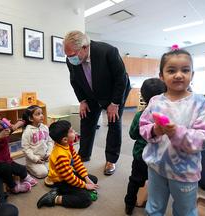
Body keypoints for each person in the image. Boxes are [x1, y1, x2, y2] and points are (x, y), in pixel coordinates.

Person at [139, 45, 205, 215]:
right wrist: (153, 130)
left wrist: (177, 133)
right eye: (172, 70)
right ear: (161, 75)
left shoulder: (198, 102)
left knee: (185, 211)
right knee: (154, 208)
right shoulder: (154, 101)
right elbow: (143, 126)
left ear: (192, 75)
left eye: (185, 70)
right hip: (156, 167)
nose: (179, 75)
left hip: (185, 170)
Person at [63, 30, 131, 175]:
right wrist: (82, 101)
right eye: (67, 56)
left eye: (72, 55)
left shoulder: (108, 51)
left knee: (113, 121)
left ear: (85, 47)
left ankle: (111, 160)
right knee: (86, 118)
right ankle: (84, 154)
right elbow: (74, 81)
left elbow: (121, 80)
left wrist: (114, 104)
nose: (69, 59)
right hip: (91, 93)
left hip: (114, 93)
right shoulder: (71, 59)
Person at [125, 78, 166, 215]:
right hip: (159, 157)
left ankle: (129, 204)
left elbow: (132, 134)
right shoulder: (166, 115)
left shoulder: (140, 115)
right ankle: (154, 206)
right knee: (157, 183)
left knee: (135, 180)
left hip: (140, 156)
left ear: (143, 97)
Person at [37, 120, 99, 208]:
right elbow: (69, 177)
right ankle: (53, 198)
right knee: (86, 198)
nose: (74, 131)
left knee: (93, 179)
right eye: (71, 131)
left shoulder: (68, 145)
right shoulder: (60, 155)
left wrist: (86, 178)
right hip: (62, 181)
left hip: (68, 175)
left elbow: (77, 162)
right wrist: (84, 185)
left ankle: (60, 190)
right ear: (65, 139)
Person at [0, 112, 37, 194]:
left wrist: (15, 126)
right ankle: (13, 186)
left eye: (0, 119)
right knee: (5, 166)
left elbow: (22, 121)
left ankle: (23, 177)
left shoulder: (5, 130)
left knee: (22, 168)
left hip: (8, 161)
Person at [21, 105, 53, 178]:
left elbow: (49, 141)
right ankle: (28, 167)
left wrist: (49, 153)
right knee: (43, 174)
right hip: (33, 160)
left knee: (52, 169)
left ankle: (43, 165)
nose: (41, 116)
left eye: (41, 113)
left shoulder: (45, 127)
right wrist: (35, 159)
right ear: (31, 118)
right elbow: (26, 148)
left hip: (45, 157)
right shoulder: (28, 131)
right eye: (38, 114)